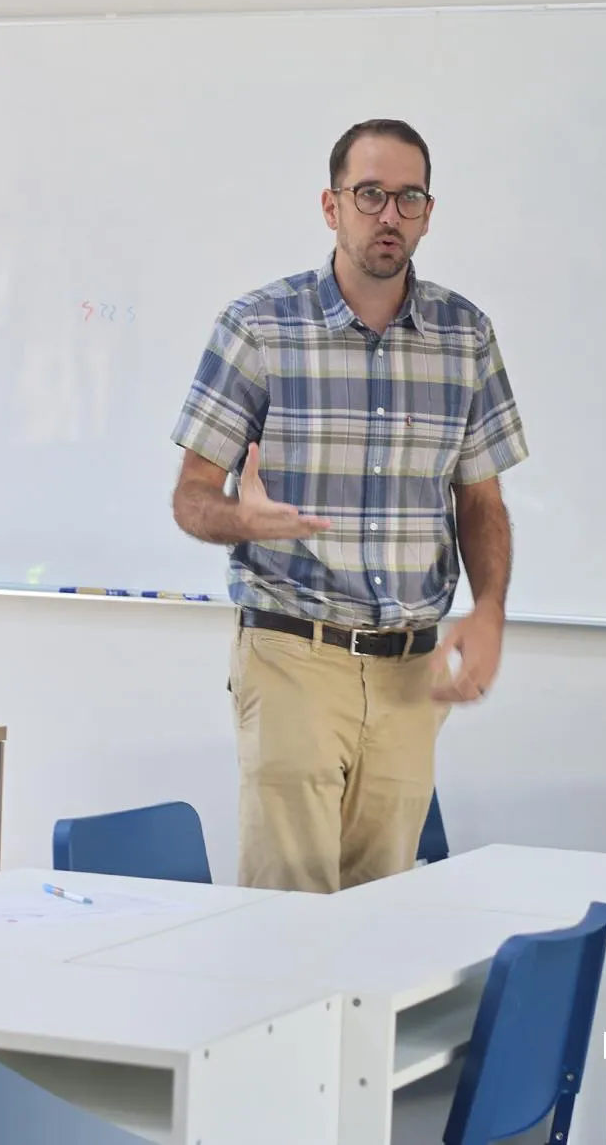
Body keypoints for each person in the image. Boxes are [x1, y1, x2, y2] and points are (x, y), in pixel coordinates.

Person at [170, 118, 527, 893]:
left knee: (385, 911)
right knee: (289, 910)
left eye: (408, 198)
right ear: (331, 206)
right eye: (369, 194)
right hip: (293, 651)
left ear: (428, 213)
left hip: (411, 669)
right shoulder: (259, 327)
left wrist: (491, 609)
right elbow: (191, 498)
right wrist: (241, 519)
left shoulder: (465, 336)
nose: (389, 214)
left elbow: (480, 499)